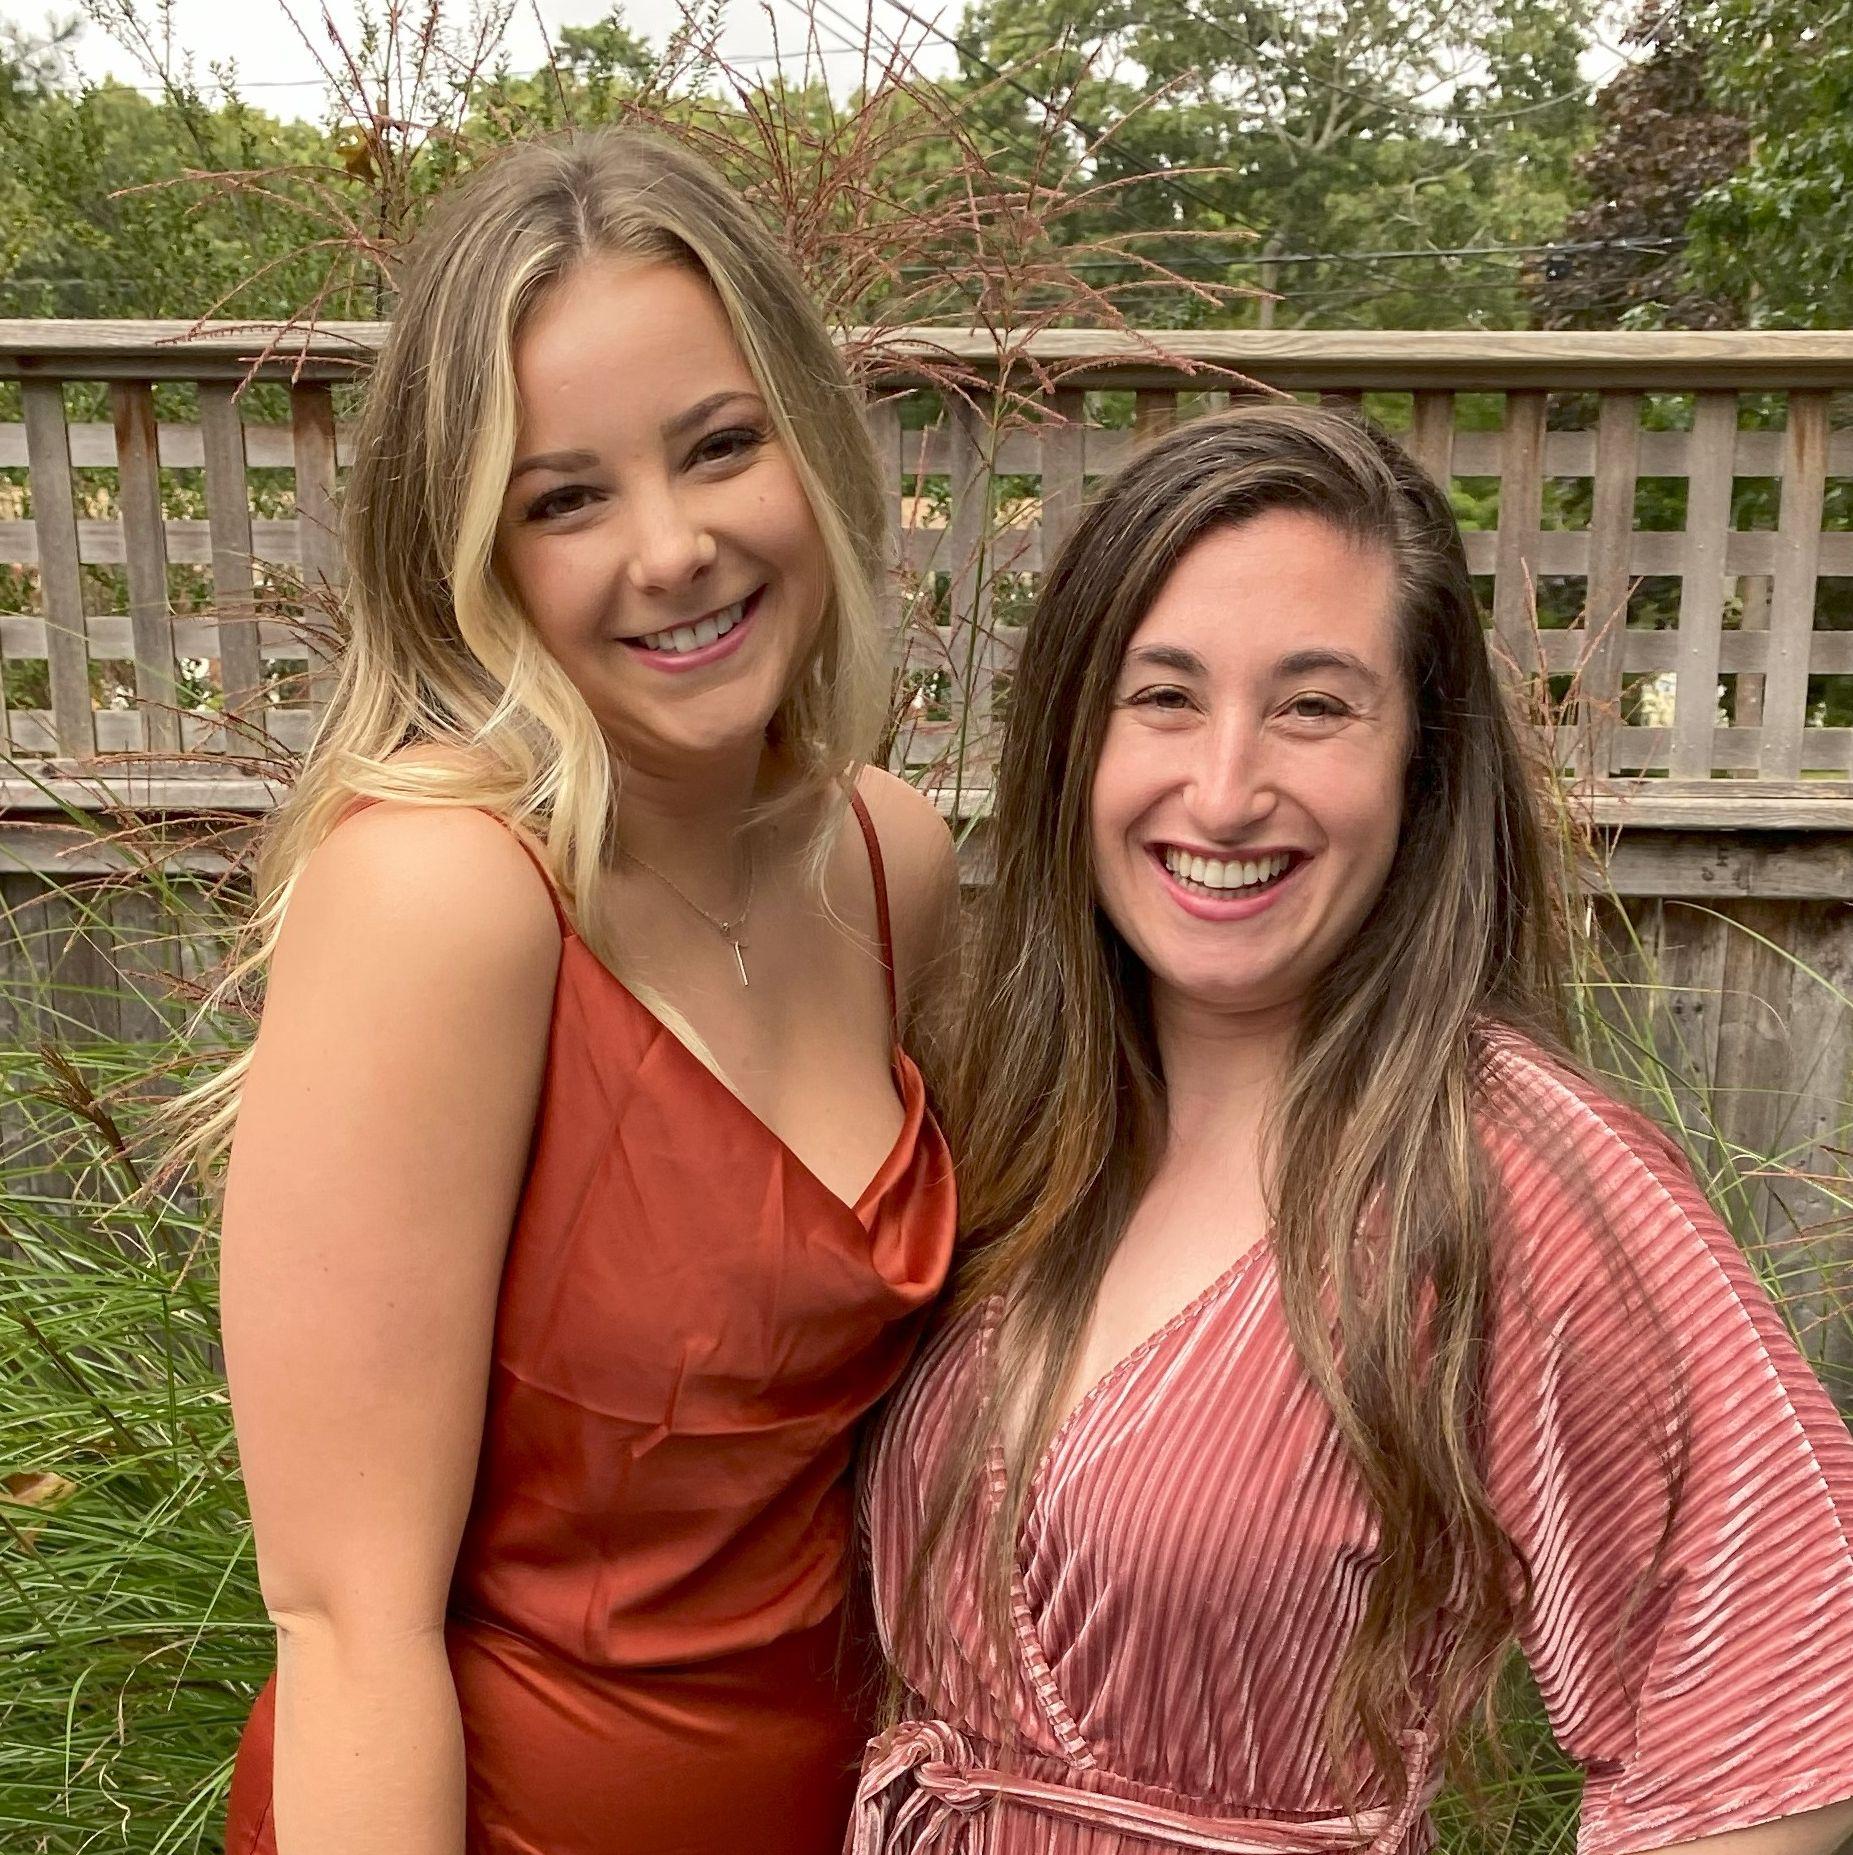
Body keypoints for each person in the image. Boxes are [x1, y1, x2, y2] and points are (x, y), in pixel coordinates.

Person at [854, 404, 1853, 1854]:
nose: (1223, 791)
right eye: (1164, 696)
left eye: (1313, 707)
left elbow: (1779, 1706)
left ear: (1418, 765)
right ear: (1073, 739)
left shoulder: (1508, 1170)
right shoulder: (1003, 1116)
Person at [195, 129, 958, 1855]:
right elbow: (346, 1621)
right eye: (566, 498)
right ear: (472, 551)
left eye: (719, 445)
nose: (673, 547)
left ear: (810, 445)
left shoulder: (888, 865)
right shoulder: (440, 898)